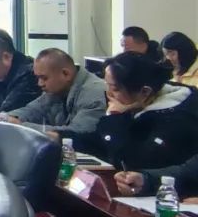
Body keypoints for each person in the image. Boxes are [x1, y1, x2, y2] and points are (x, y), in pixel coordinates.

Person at [62, 52, 198, 173]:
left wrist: (115, 117)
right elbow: (102, 142)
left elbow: (131, 163)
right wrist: (60, 137)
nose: (109, 93)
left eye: (115, 88)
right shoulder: (139, 105)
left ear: (145, 92)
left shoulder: (178, 121)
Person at [4, 49, 107, 135]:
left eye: (44, 78)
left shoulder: (94, 94)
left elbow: (76, 133)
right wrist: (6, 119)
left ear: (66, 74)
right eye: (38, 78)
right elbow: (32, 110)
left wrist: (21, 126)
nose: (40, 83)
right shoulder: (55, 91)